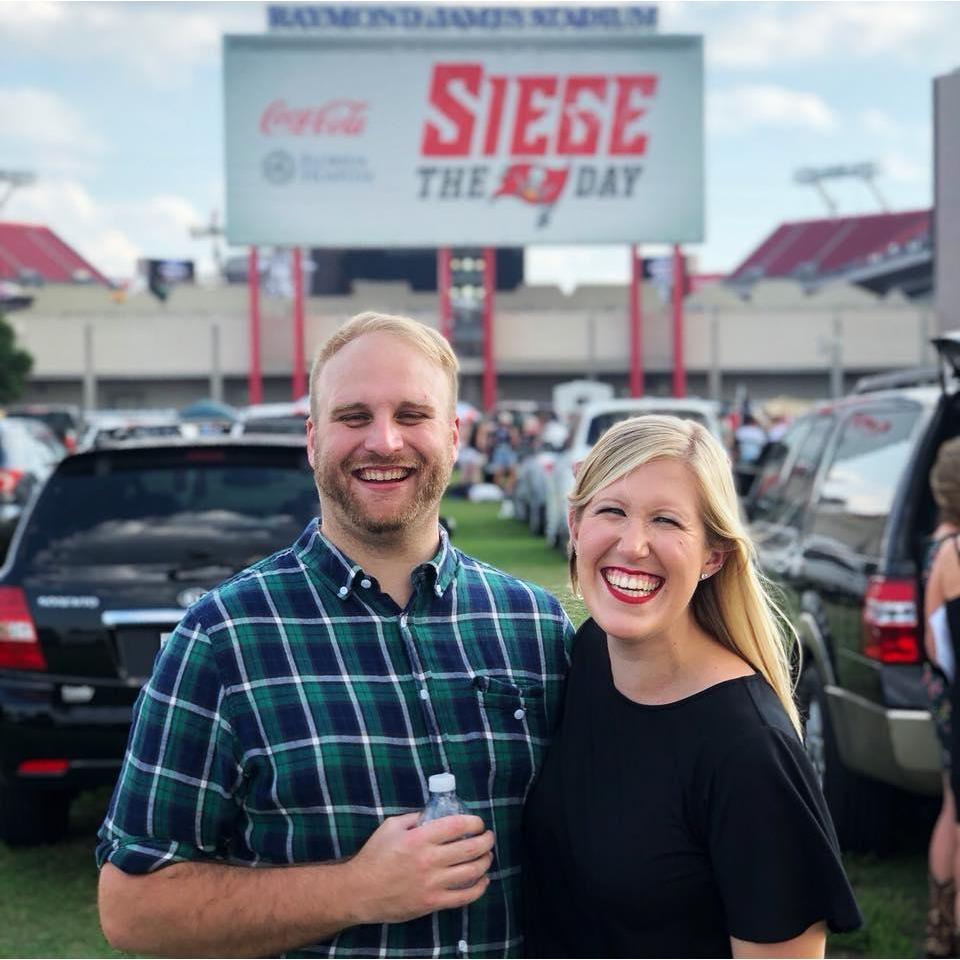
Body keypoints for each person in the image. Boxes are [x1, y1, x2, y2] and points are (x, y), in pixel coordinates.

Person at [96, 311, 573, 958]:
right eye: (354, 418)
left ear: (455, 434)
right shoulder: (223, 639)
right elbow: (131, 910)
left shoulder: (534, 627)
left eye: (412, 415)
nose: (384, 442)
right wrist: (356, 891)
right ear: (314, 439)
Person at [523, 414, 861, 958]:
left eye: (666, 521)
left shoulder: (750, 751)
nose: (633, 545)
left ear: (713, 555)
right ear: (576, 526)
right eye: (612, 510)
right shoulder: (588, 655)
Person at [921, 436, 960, 958]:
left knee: (952, 803)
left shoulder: (940, 551)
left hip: (948, 698)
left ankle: (940, 927)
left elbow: (933, 642)